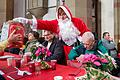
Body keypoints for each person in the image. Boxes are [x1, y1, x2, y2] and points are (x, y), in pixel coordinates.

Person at [12, 5, 90, 46]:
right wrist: (28, 21)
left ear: (68, 14)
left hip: (78, 49)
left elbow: (87, 34)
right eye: (60, 15)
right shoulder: (56, 23)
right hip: (62, 51)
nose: (62, 17)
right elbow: (44, 24)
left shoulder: (77, 21)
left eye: (64, 14)